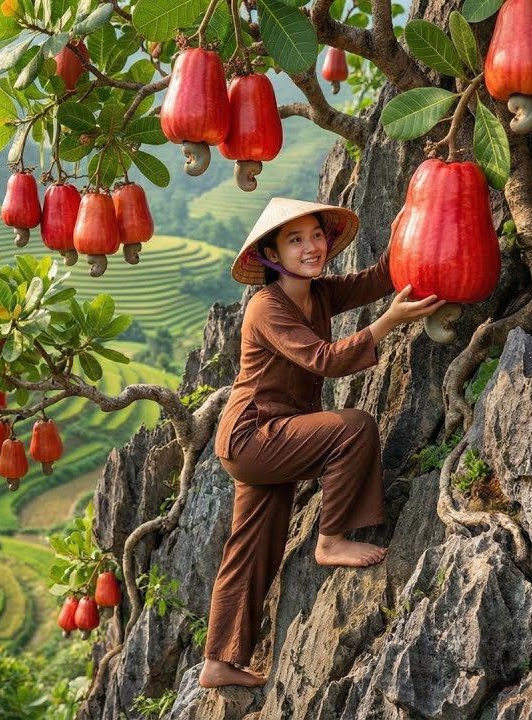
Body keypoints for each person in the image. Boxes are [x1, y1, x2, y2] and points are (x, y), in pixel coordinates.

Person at [199, 198, 445, 689]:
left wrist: (409, 229)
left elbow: (377, 280)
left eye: (316, 236)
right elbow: (325, 360)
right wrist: (389, 322)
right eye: (295, 240)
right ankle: (330, 540)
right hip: (253, 437)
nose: (311, 247)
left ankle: (217, 662)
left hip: (273, 437)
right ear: (271, 254)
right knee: (353, 427)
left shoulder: (319, 292)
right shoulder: (268, 308)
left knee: (252, 547)